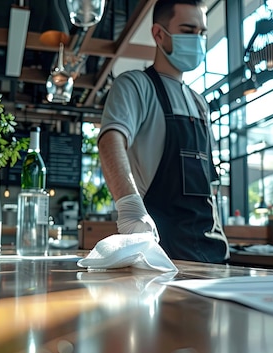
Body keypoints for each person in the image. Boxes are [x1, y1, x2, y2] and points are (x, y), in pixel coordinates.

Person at [98, 0, 229, 264]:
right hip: (161, 255)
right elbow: (110, 141)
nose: (198, 39)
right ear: (159, 34)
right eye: (188, 30)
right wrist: (130, 208)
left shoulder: (199, 102)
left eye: (202, 33)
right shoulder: (135, 85)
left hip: (213, 251)